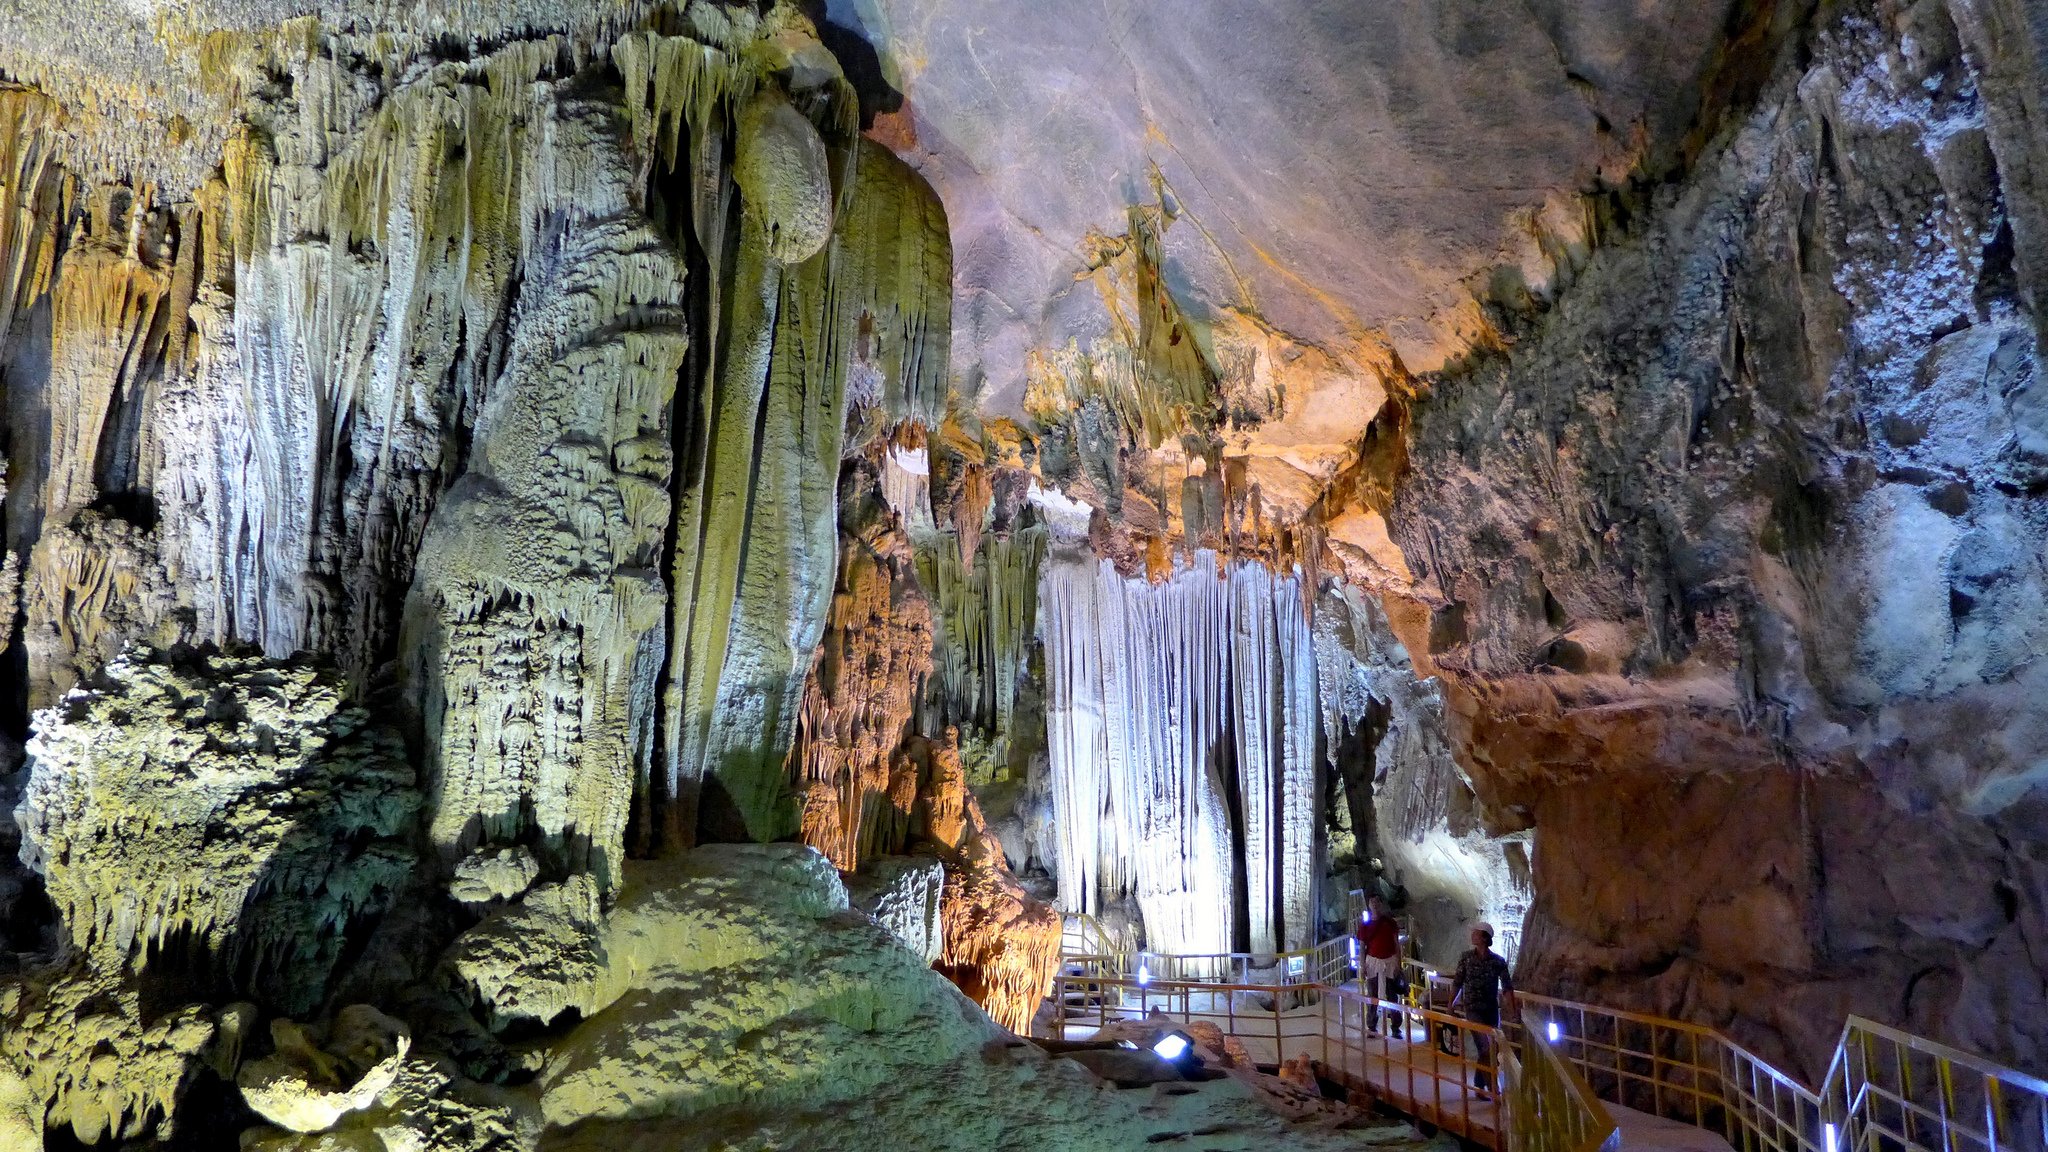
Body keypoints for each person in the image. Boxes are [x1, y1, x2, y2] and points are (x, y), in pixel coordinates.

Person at [1449, 922, 1515, 1097]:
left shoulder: (1498, 962)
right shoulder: (1466, 958)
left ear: (1485, 937)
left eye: (1476, 933)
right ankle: (1493, 1088)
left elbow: (1507, 987)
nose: (1472, 936)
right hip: (1473, 1009)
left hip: (1491, 1010)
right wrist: (1451, 1004)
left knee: (1490, 1050)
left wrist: (1513, 1010)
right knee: (1485, 1048)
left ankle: (1479, 1084)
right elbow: (1458, 982)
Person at [1354, 895, 1403, 1037]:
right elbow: (1362, 947)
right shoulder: (1365, 926)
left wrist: (1398, 964)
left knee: (1392, 995)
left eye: (1377, 901)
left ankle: (1395, 1026)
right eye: (1372, 902)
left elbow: (1396, 943)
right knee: (1372, 994)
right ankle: (1372, 1026)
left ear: (1380, 904)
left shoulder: (1389, 923)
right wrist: (1362, 966)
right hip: (1373, 963)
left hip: (1389, 962)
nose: (1375, 904)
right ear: (1369, 905)